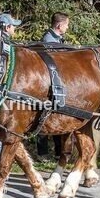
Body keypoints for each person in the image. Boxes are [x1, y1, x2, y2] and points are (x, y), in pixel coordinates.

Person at [36, 12, 70, 159]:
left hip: (57, 83)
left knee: (57, 115)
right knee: (44, 116)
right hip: (49, 84)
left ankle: (58, 152)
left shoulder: (58, 39)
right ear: (59, 25)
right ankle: (42, 153)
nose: (67, 28)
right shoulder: (49, 40)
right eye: (67, 25)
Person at [0, 12, 22, 165]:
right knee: (1, 125)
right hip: (1, 91)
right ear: (7, 27)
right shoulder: (3, 44)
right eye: (13, 26)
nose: (14, 29)